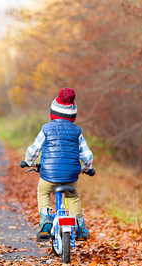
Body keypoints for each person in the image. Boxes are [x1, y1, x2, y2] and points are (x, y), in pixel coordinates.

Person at [24, 87, 93, 241]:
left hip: (48, 174)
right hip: (70, 175)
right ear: (73, 115)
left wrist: (29, 162)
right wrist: (87, 168)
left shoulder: (45, 130)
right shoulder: (77, 132)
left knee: (42, 192)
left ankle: (46, 220)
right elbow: (87, 155)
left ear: (53, 112)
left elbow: (33, 150)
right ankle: (81, 227)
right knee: (73, 197)